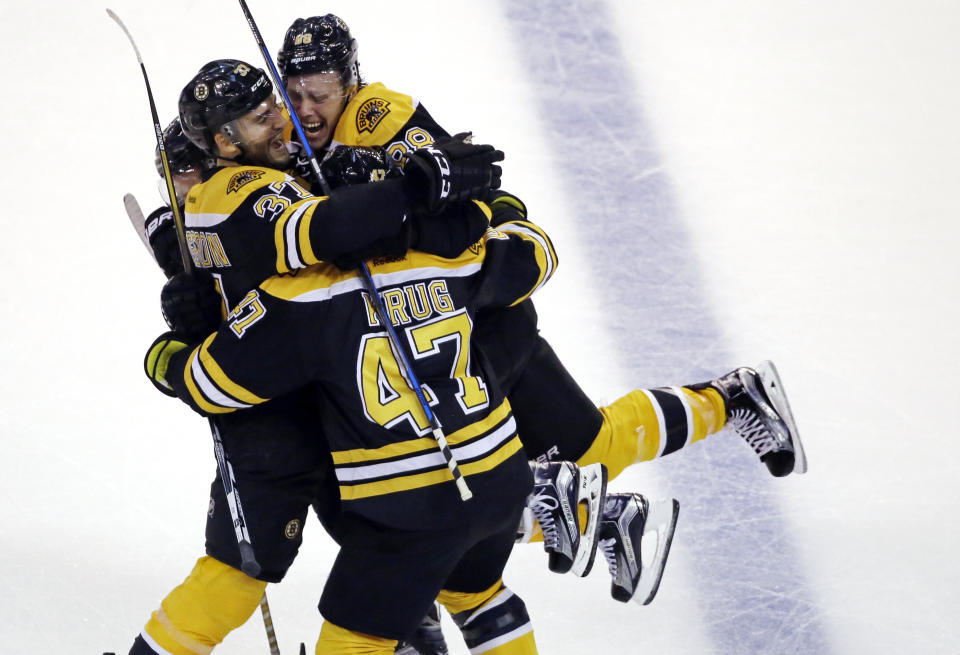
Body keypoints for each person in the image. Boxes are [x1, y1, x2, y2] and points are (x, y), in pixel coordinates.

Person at [143, 65, 566, 653]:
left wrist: (171, 354)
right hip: (480, 464)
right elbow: (531, 255)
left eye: (277, 105)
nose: (284, 119)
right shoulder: (422, 254)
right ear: (222, 144)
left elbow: (211, 380)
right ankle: (541, 505)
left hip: (373, 470)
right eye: (262, 115)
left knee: (267, 581)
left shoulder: (299, 294)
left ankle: (531, 524)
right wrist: (470, 204)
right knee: (474, 589)